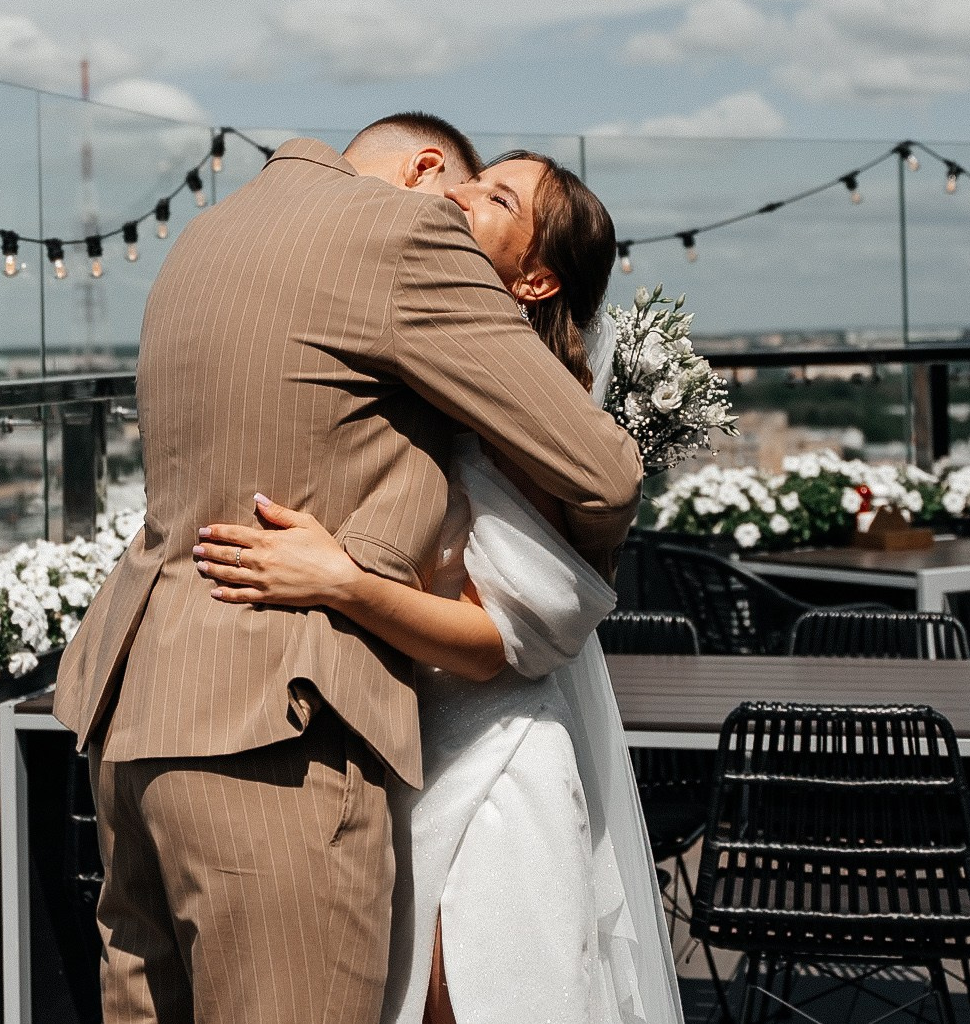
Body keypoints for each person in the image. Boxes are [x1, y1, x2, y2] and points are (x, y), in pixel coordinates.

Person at [53, 117, 644, 1024]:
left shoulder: (212, 233)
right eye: (465, 191)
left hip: (138, 720)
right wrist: (584, 567)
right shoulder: (399, 235)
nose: (457, 214)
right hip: (275, 734)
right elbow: (606, 472)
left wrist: (536, 580)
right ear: (424, 169)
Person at [192, 152, 684, 1024]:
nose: (459, 193)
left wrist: (340, 581)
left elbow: (499, 646)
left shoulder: (541, 435)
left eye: (496, 198)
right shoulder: (434, 381)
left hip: (493, 764)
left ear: (535, 280)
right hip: (404, 751)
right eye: (475, 178)